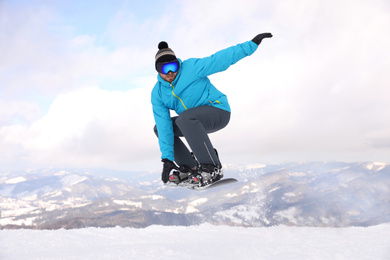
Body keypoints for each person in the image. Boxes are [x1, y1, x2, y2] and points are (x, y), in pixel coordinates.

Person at [152, 33, 272, 185]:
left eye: (173, 66)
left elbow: (219, 60)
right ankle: (189, 168)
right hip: (191, 123)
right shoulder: (158, 93)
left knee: (185, 118)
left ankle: (211, 167)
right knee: (159, 128)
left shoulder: (191, 68)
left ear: (178, 64)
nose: (170, 72)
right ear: (158, 70)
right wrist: (167, 159)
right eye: (165, 68)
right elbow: (164, 127)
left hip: (217, 111)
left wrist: (250, 45)